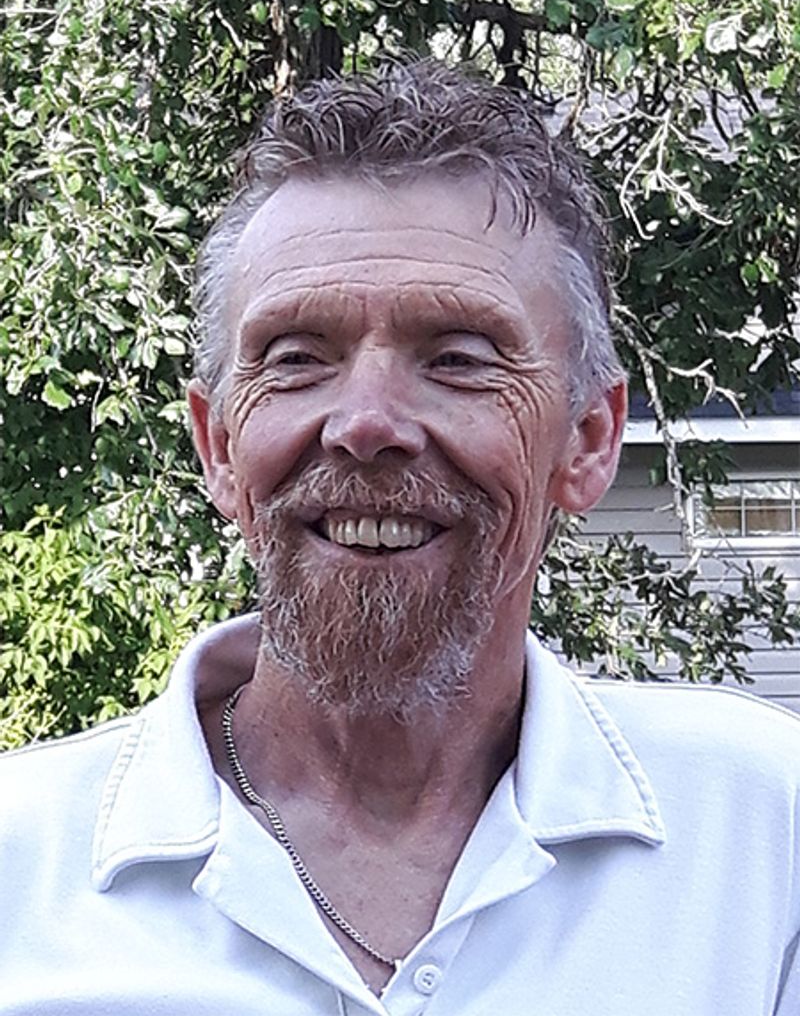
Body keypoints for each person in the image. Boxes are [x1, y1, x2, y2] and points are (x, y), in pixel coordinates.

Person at [2, 59, 799, 1016]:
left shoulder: (762, 842)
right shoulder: (23, 866)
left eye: (458, 359)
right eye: (297, 358)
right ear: (218, 446)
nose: (366, 423)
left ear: (587, 441)